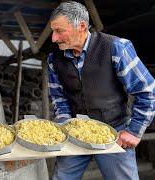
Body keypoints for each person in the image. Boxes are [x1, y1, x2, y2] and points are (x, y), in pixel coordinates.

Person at [47, 1, 155, 180]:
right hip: (75, 132)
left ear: (81, 26)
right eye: (53, 31)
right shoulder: (54, 59)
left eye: (59, 31)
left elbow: (147, 90)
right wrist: (65, 125)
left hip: (115, 131)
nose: (54, 38)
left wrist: (134, 131)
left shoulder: (116, 48)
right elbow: (59, 98)